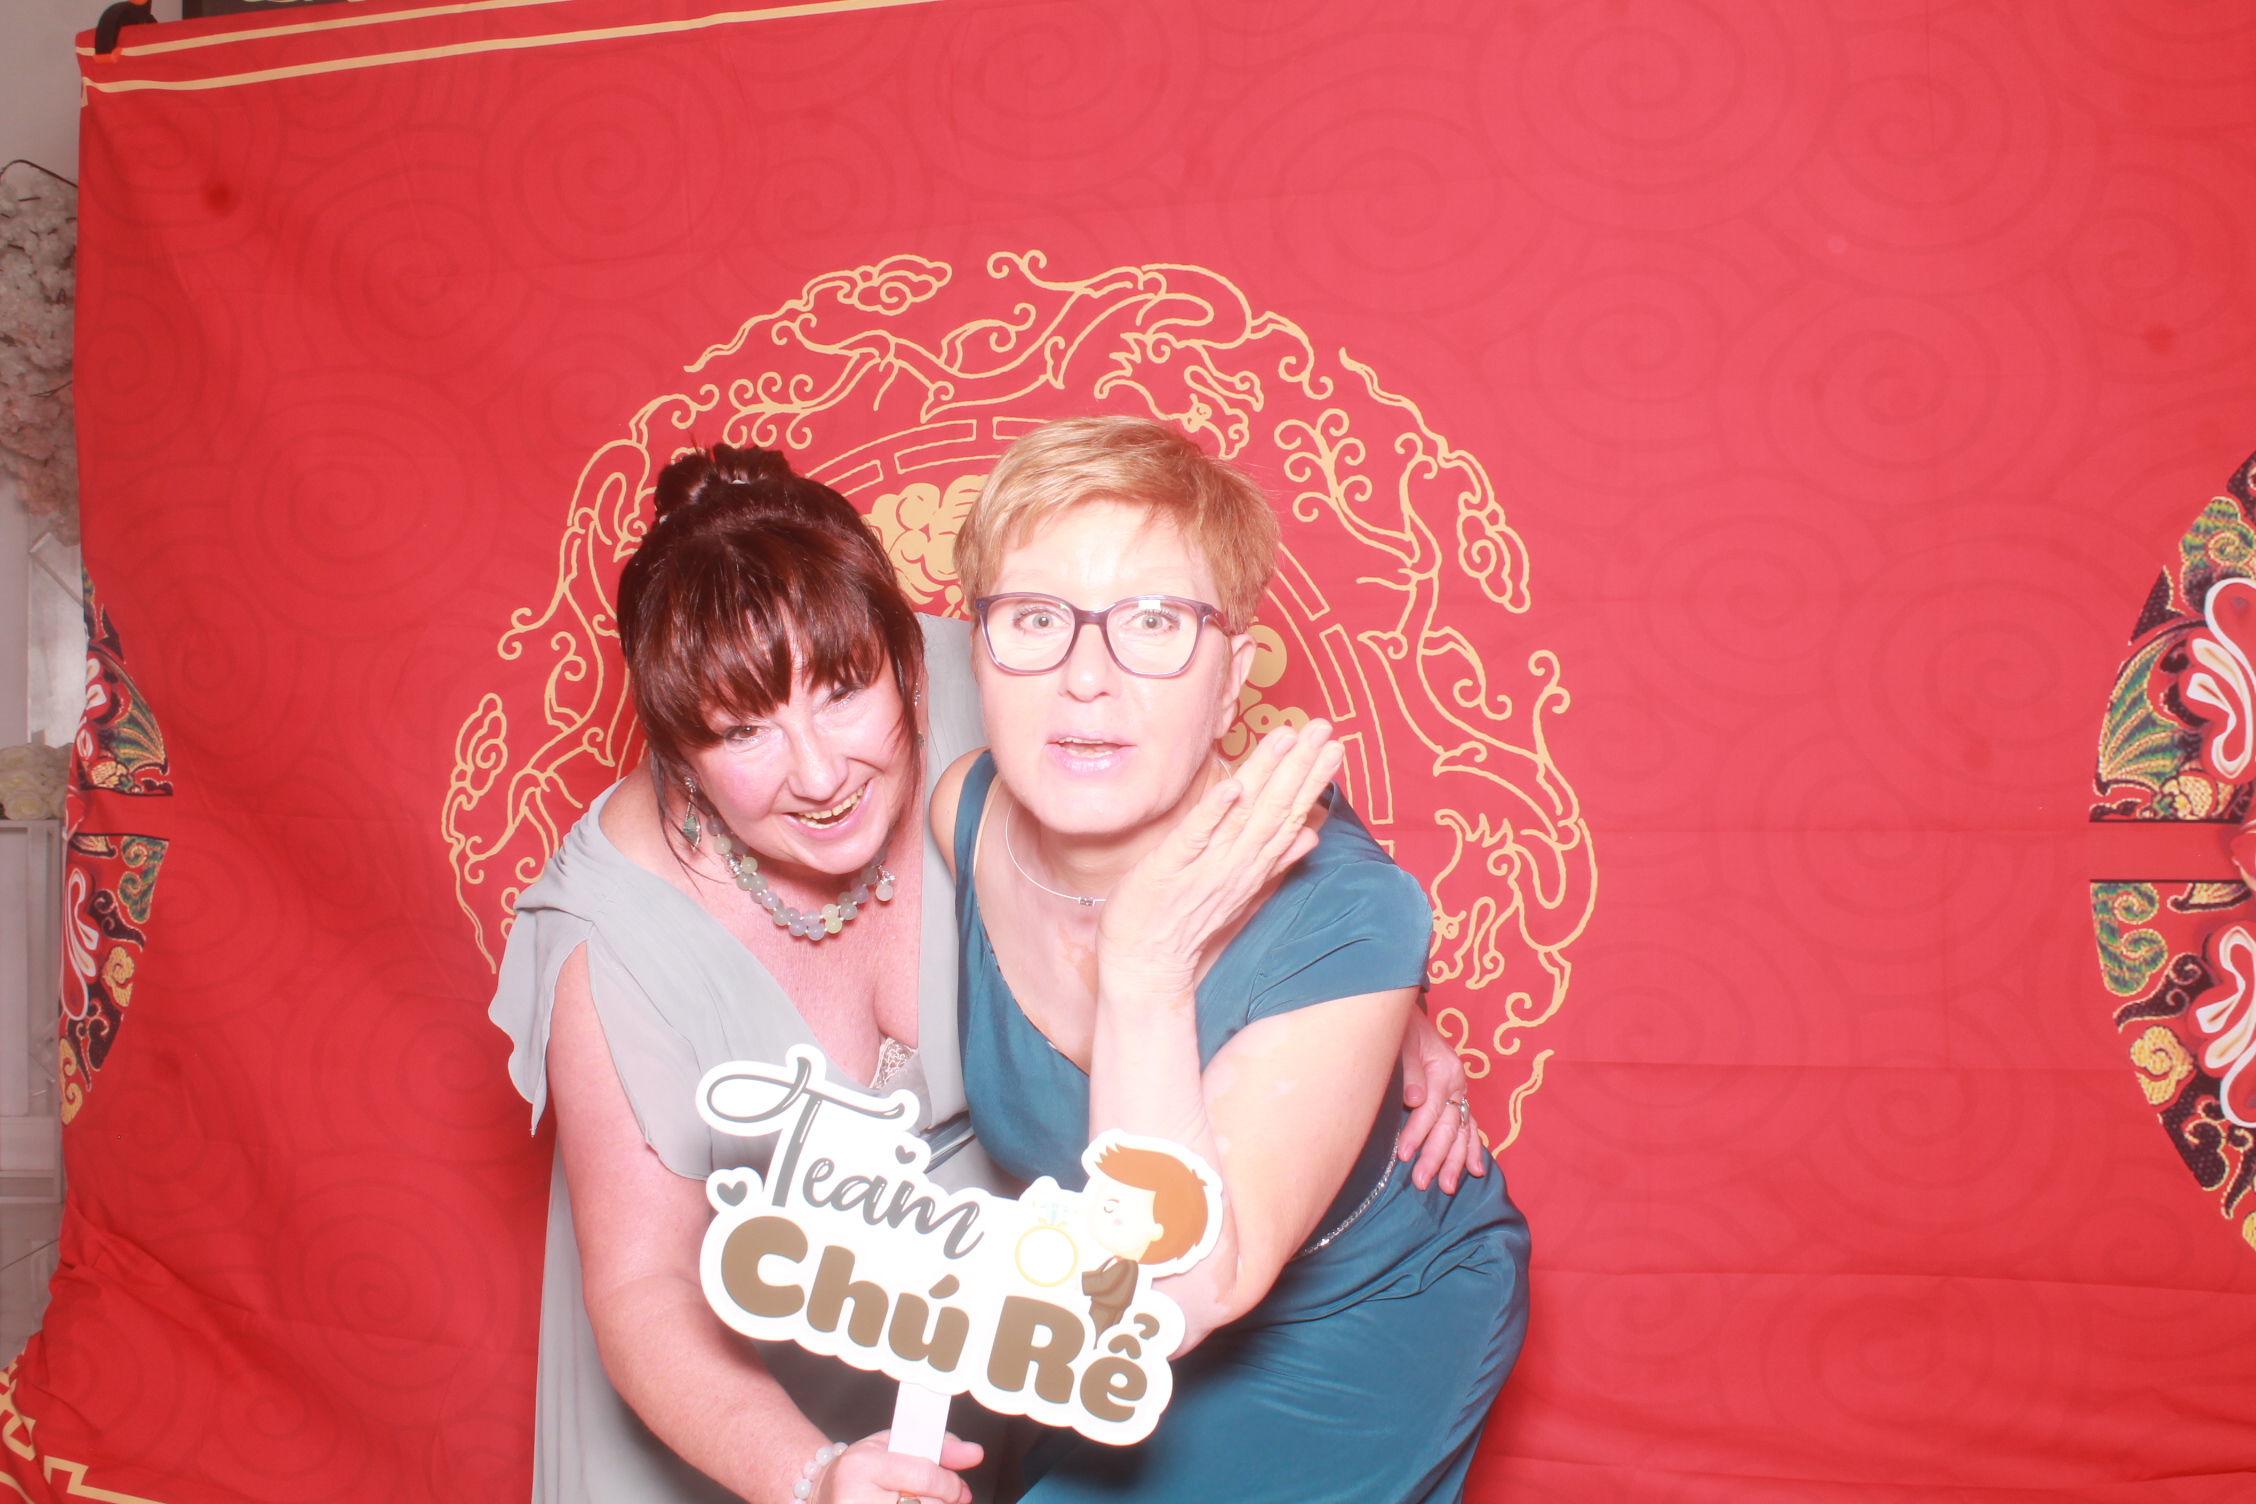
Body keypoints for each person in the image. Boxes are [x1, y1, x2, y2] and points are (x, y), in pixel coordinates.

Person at [487, 443, 1488, 1504]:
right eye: (742, 731)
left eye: (843, 693)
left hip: (1023, 1345)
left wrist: (1370, 1000)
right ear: (678, 754)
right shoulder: (616, 934)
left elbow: (1200, 770)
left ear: (906, 660)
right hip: (731, 1384)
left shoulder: (1001, 679)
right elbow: (645, 1285)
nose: (820, 774)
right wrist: (810, 1476)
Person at [934, 416, 1531, 1503]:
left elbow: (1181, 1290)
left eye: (1155, 623)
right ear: (977, 650)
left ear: (1231, 681)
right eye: (1036, 618)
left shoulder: (1348, 912)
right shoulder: (964, 813)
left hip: (1349, 1320)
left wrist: (1150, 967)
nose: (1085, 678)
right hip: (1092, 1326)